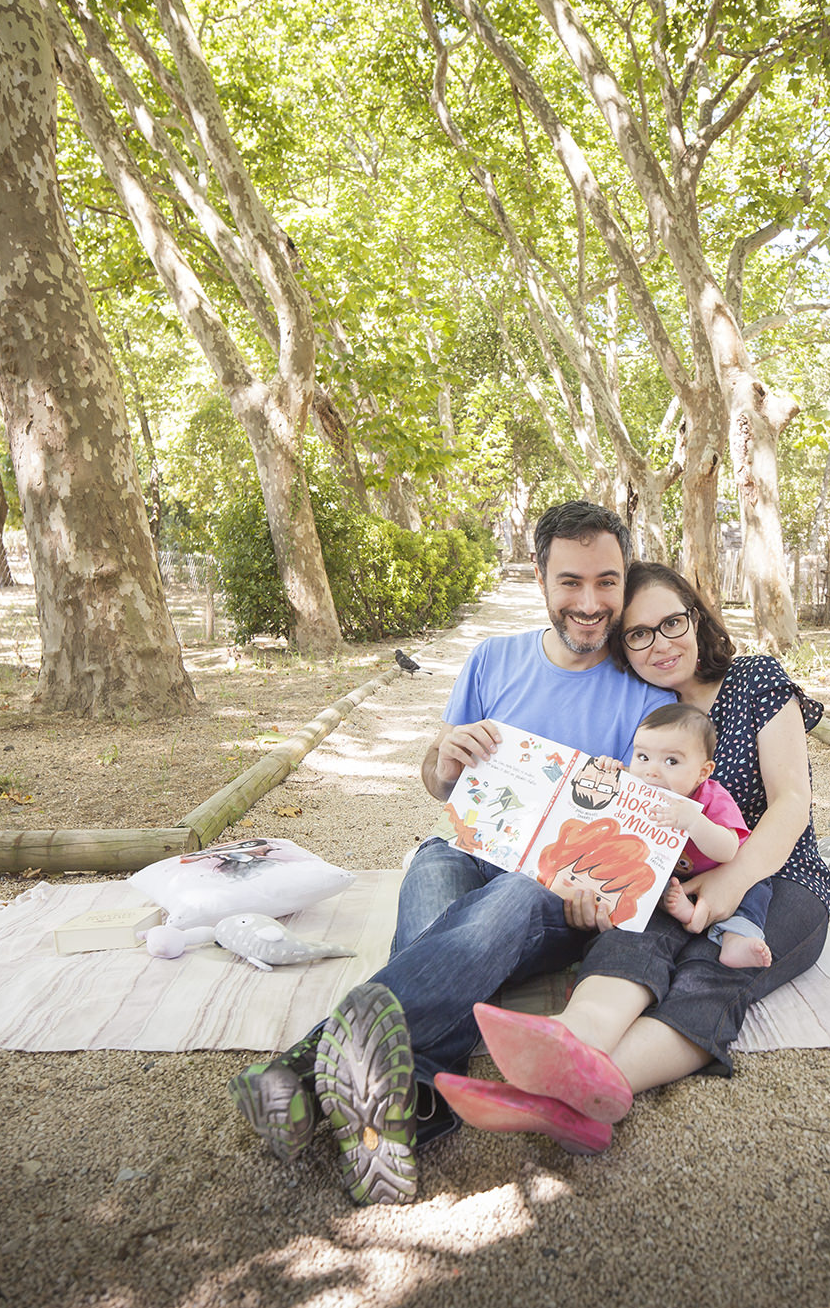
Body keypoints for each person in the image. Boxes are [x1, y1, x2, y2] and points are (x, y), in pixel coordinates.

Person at [226, 502, 672, 1205]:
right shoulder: (493, 658)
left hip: (550, 892)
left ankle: (299, 1068)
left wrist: (598, 898)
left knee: (514, 898)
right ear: (540, 576)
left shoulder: (646, 694)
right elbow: (439, 786)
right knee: (435, 888)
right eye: (571, 582)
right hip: (462, 851)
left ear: (624, 580)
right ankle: (394, 1113)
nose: (590, 603)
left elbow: (637, 833)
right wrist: (443, 754)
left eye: (607, 582)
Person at [433, 560, 830, 1155]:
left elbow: (793, 803)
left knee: (711, 971)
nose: (661, 644)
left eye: (672, 622)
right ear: (623, 648)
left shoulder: (756, 681)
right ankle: (569, 1041)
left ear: (697, 616)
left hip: (773, 880)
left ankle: (586, 1093)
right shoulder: (640, 710)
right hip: (671, 880)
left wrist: (735, 878)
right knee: (631, 939)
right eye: (639, 634)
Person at [629, 702, 774, 970]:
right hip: (677, 877)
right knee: (647, 879)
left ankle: (737, 938)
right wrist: (605, 769)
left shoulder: (713, 797)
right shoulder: (641, 791)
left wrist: (695, 822)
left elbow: (728, 849)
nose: (651, 771)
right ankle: (684, 911)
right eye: (642, 757)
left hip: (721, 871)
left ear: (703, 772)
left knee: (757, 889)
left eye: (671, 761)